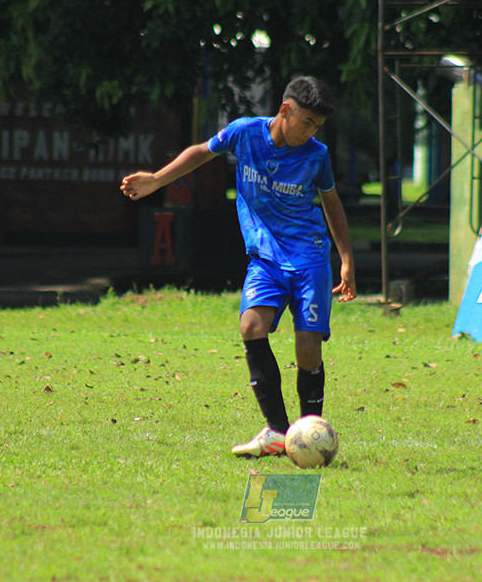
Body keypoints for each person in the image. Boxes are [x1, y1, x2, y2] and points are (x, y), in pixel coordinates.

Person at [121, 76, 356, 457]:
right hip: (265, 258)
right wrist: (157, 180)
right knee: (251, 326)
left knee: (308, 350)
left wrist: (346, 259)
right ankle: (278, 432)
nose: (310, 132)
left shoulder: (316, 155)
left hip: (309, 257)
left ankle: (312, 438)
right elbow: (201, 152)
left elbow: (332, 203)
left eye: (317, 126)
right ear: (285, 110)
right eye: (307, 123)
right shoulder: (245, 133)